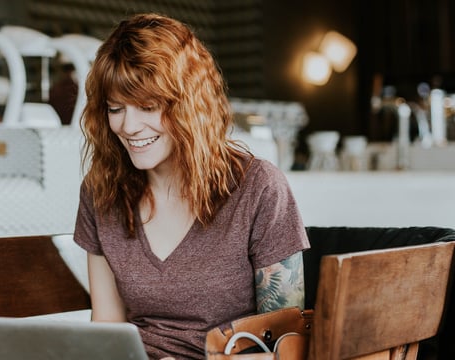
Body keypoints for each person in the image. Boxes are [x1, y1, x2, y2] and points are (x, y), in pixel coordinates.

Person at [73, 13, 310, 360]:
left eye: (148, 107)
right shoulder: (100, 192)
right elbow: (108, 326)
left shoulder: (258, 188)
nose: (129, 126)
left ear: (189, 105)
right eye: (115, 108)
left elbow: (286, 347)